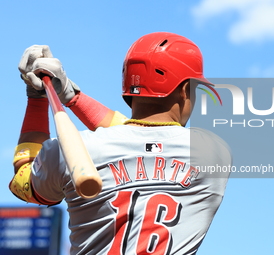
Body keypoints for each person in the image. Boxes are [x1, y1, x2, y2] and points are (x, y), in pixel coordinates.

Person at [10, 32, 232, 255]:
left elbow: (23, 183)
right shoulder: (213, 151)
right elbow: (137, 134)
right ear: (185, 91)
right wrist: (73, 97)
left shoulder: (69, 151)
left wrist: (37, 98)